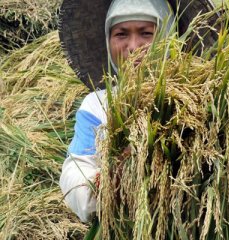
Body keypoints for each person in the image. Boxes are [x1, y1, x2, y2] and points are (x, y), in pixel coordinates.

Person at [59, 0, 175, 222]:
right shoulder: (97, 106)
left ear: (167, 36)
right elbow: (75, 173)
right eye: (121, 34)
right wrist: (113, 179)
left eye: (146, 33)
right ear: (108, 40)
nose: (133, 46)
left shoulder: (200, 99)